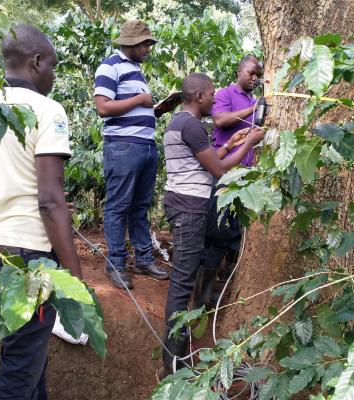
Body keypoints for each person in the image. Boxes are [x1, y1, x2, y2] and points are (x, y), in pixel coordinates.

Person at [0, 25, 80, 400]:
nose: (54, 75)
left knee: (26, 354)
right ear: (37, 62)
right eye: (53, 66)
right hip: (31, 264)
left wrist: (3, 191)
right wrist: (75, 278)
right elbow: (50, 200)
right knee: (20, 371)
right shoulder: (47, 110)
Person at [160, 73, 264, 376]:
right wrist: (250, 144)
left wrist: (231, 142)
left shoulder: (182, 123)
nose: (214, 99)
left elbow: (204, 164)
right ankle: (173, 363)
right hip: (188, 209)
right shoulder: (190, 125)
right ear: (198, 95)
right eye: (211, 94)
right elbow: (218, 169)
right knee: (181, 283)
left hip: (189, 206)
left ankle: (179, 347)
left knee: (190, 272)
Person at [94, 20, 179, 290]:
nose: (148, 49)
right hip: (123, 146)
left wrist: (156, 109)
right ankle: (116, 264)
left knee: (140, 208)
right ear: (130, 43)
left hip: (144, 146)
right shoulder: (110, 66)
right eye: (145, 44)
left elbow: (133, 109)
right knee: (118, 206)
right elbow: (103, 108)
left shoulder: (134, 70)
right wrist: (141, 101)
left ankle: (143, 259)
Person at [193, 55, 265, 310]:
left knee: (233, 231)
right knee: (216, 229)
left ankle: (212, 288)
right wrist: (253, 110)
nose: (254, 79)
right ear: (239, 71)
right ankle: (199, 293)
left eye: (258, 75)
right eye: (250, 73)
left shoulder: (256, 99)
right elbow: (220, 120)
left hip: (245, 176)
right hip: (222, 171)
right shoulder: (224, 94)